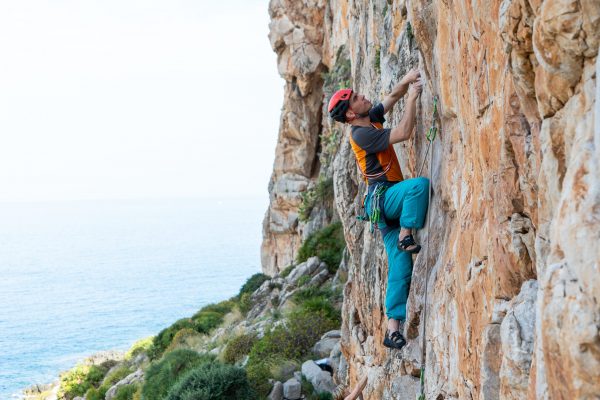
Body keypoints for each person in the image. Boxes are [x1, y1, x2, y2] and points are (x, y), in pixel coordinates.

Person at [328, 68, 429, 350]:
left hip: (382, 206)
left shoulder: (368, 119)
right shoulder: (360, 134)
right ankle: (406, 233)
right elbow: (404, 132)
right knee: (418, 186)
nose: (363, 97)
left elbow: (391, 96)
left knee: (399, 266)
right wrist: (413, 99)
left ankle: (392, 328)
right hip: (385, 198)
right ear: (350, 113)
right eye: (356, 98)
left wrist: (407, 81)